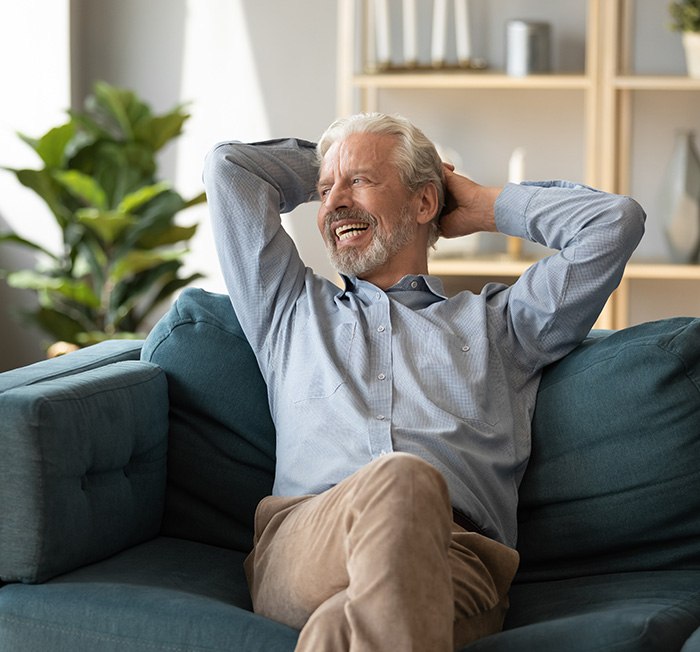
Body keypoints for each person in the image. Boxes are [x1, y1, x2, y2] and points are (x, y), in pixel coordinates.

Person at [203, 112, 645, 651]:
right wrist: (339, 159)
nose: (334, 202)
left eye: (361, 181)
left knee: (340, 629)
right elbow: (230, 169)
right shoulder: (288, 309)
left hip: (457, 555)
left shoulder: (504, 326)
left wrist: (480, 204)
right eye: (324, 189)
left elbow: (614, 222)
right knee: (403, 481)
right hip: (309, 539)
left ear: (424, 203)